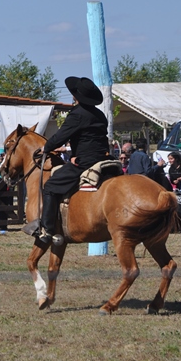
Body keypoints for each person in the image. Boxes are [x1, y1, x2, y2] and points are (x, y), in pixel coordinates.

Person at [37, 77, 111, 244]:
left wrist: (46, 147)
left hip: (86, 161)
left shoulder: (77, 114)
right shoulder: (99, 114)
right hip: (104, 157)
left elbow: (61, 136)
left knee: (50, 186)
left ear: (76, 96)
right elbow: (90, 139)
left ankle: (47, 229)